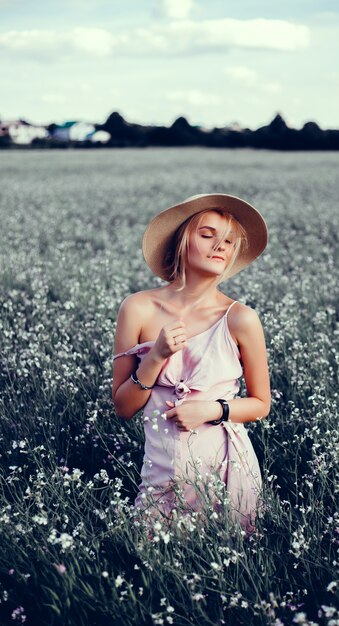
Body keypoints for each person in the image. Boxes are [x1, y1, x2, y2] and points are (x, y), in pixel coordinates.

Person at [112, 193, 270, 533]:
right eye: (208, 234)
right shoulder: (138, 308)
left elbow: (261, 405)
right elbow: (123, 407)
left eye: (229, 241)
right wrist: (156, 356)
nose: (220, 246)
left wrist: (212, 409)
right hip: (162, 470)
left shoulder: (241, 318)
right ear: (182, 239)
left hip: (227, 470)